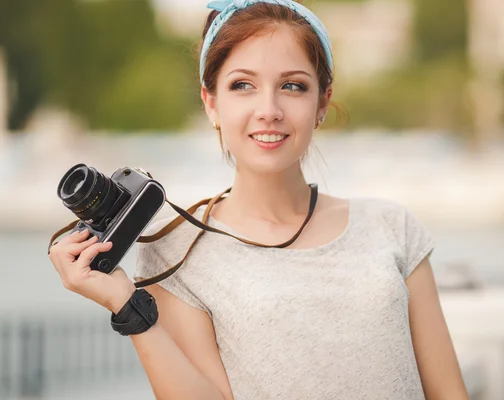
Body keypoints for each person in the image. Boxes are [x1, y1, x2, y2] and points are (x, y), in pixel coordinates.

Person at [48, 0, 470, 399]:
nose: (268, 110)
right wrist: (125, 306)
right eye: (242, 85)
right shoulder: (175, 251)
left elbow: (450, 393)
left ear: (323, 101)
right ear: (211, 103)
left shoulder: (391, 226)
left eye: (292, 85)